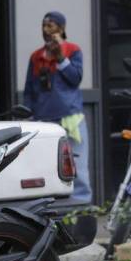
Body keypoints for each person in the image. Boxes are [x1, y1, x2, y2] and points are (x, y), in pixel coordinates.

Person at [24, 11, 92, 203]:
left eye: (50, 26)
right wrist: (28, 114)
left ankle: (80, 208)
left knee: (77, 166)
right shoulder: (36, 56)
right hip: (44, 120)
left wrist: (61, 58)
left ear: (61, 29)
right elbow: (30, 89)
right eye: (43, 26)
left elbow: (75, 79)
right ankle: (51, 208)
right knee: (46, 168)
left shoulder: (72, 50)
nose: (45, 30)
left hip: (70, 119)